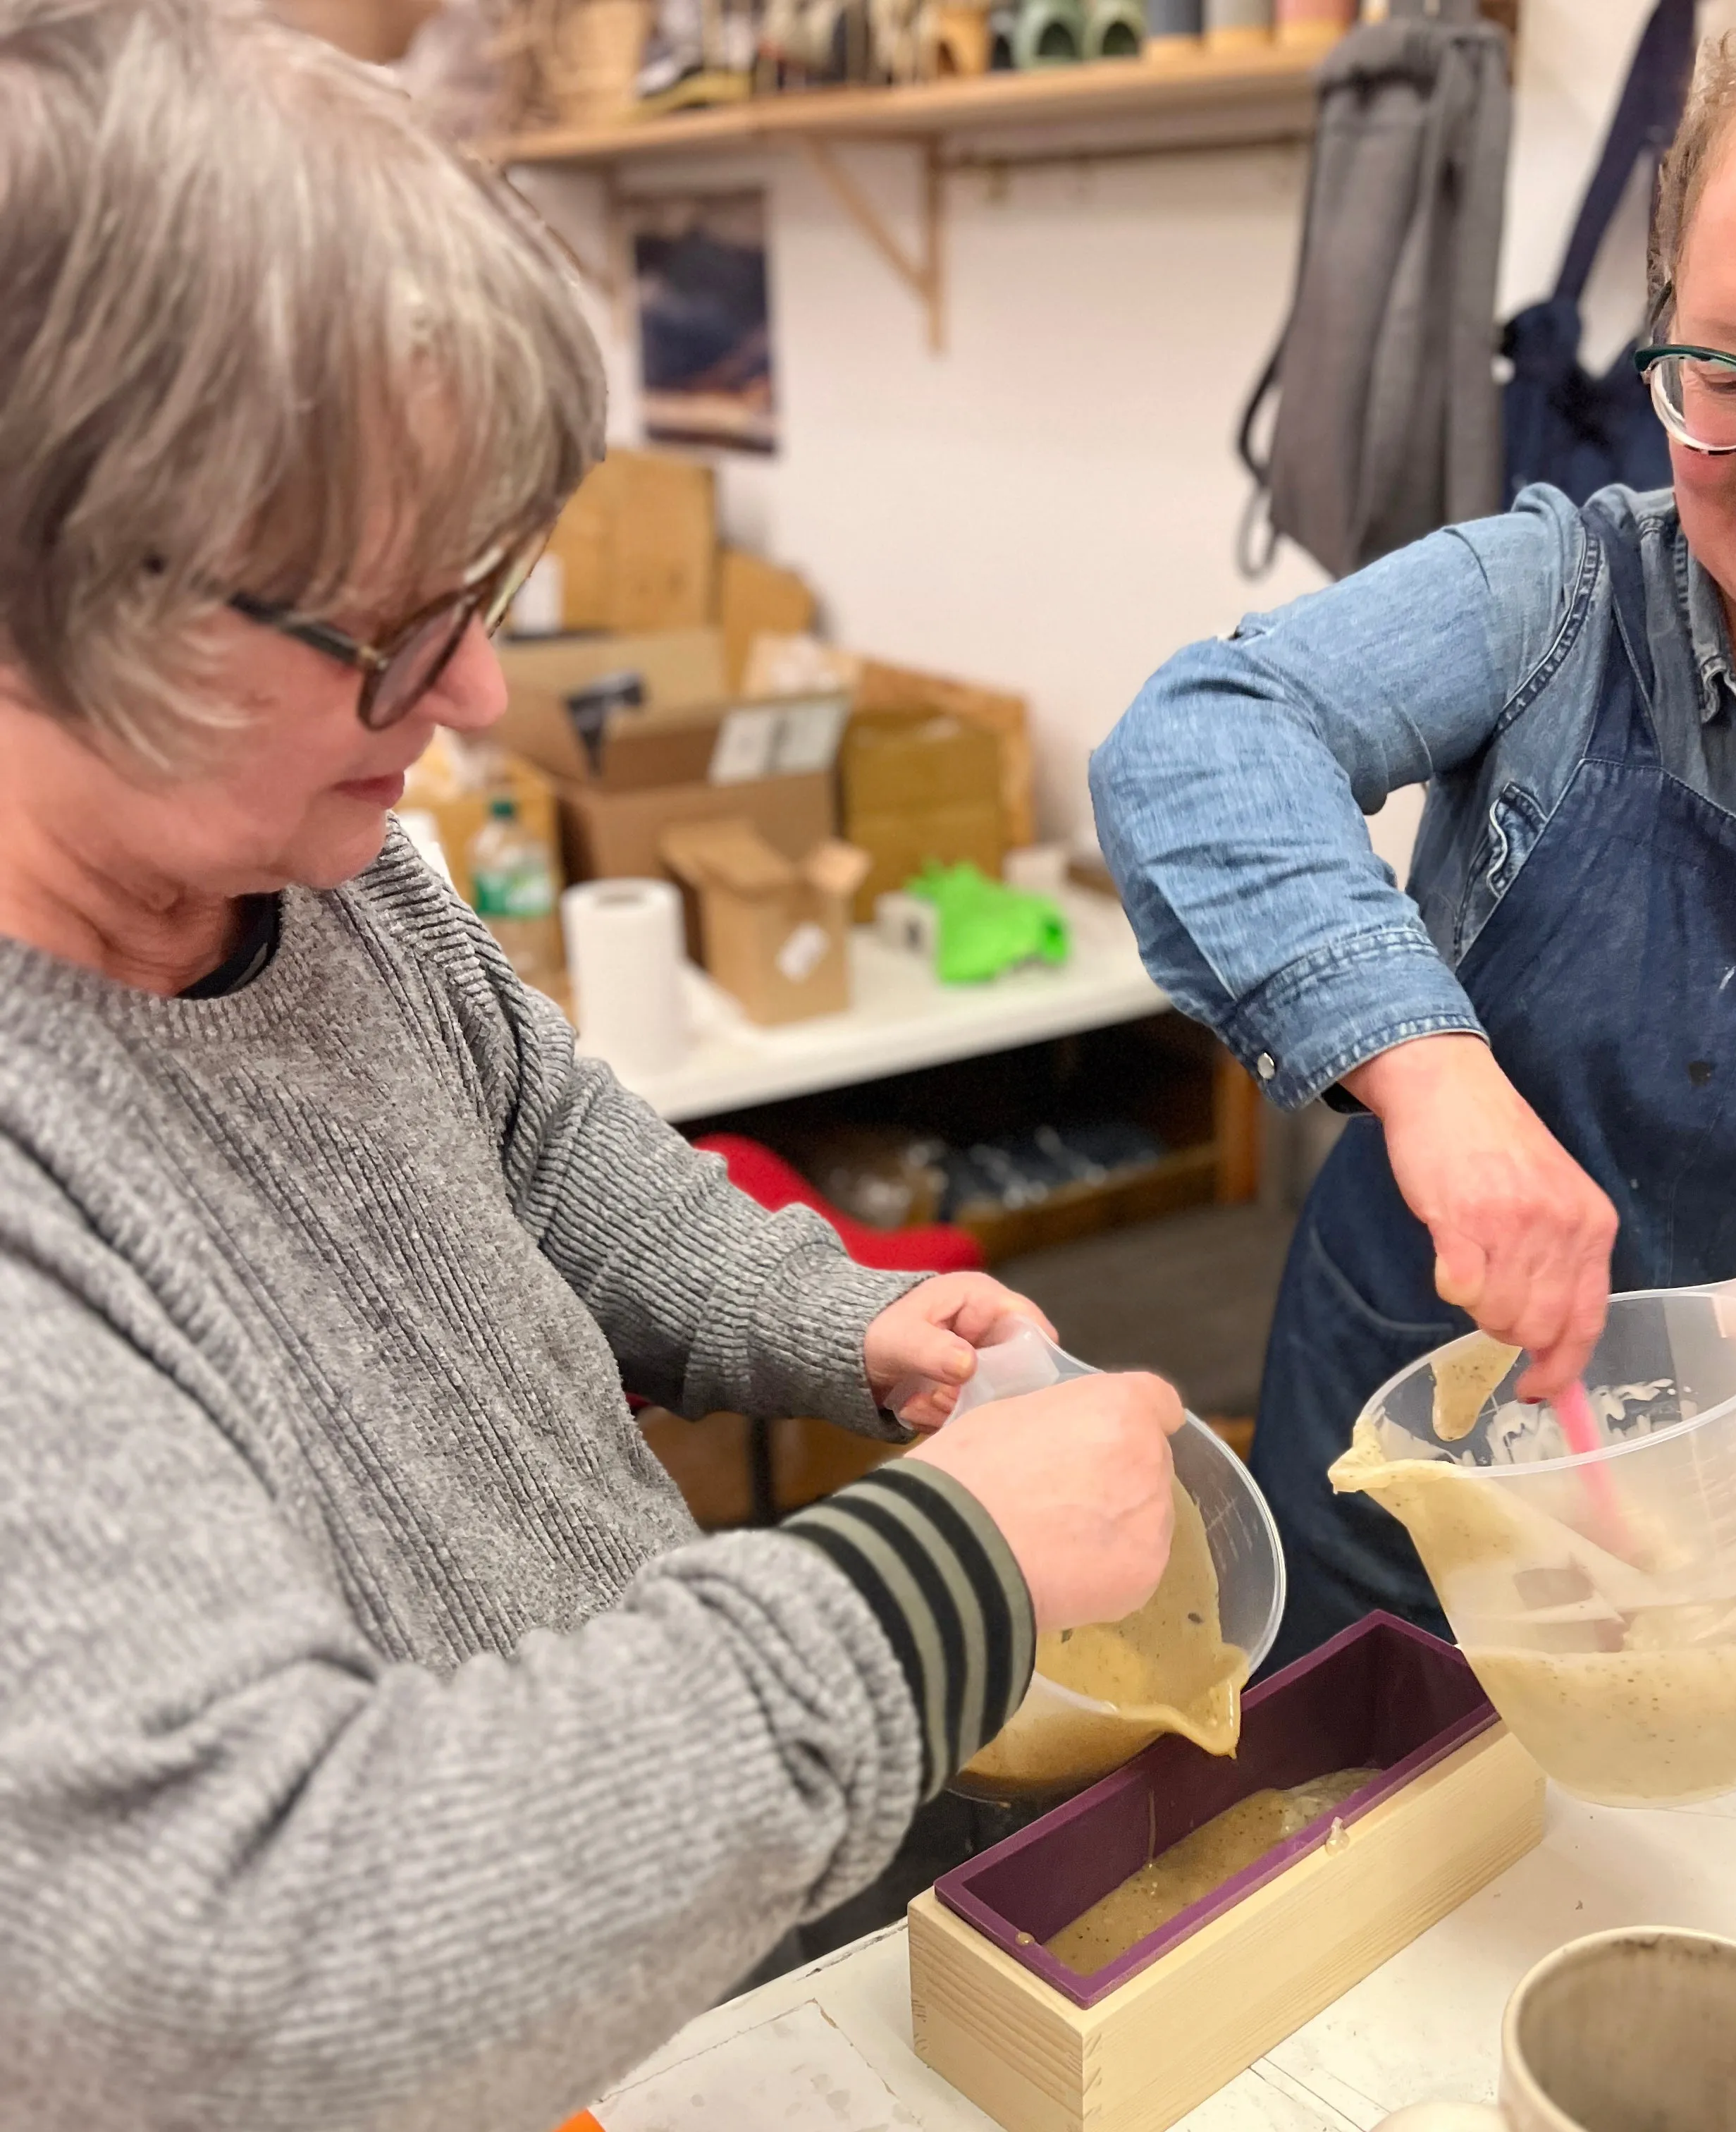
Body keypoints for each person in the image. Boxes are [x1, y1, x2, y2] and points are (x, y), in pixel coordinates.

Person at [0, 4, 1183, 2125]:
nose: (468, 689)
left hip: (699, 1905)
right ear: (64, 583)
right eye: (381, 624)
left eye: (488, 589)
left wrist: (843, 1321)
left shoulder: (325, 860)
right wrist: (949, 1574)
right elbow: (265, 1971)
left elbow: (542, 1145)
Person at [1095, 0, 1736, 1667]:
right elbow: (1200, 738)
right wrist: (1430, 1074)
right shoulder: (1555, 597)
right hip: (1394, 1495)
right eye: (1722, 370)